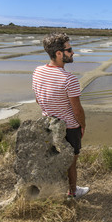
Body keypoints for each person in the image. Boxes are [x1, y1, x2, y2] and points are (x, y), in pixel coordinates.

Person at [32, 32, 89, 199]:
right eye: (69, 50)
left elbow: (37, 98)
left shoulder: (38, 71)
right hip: (70, 128)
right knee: (71, 163)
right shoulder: (69, 79)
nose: (73, 53)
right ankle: (72, 192)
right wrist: (82, 125)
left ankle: (53, 191)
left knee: (53, 160)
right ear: (58, 53)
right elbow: (77, 110)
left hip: (48, 124)